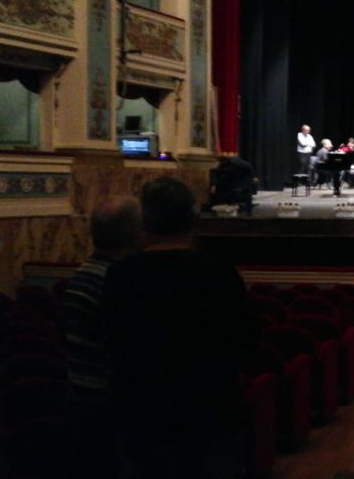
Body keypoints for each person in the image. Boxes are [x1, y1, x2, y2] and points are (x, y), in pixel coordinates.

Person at [103, 177, 252, 478]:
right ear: (193, 218)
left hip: (143, 417)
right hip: (211, 417)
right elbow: (245, 344)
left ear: (145, 222)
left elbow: (113, 344)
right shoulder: (220, 275)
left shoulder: (120, 277)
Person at [60, 197, 142, 479]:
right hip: (110, 407)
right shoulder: (117, 284)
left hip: (82, 398)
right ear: (136, 234)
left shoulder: (81, 275)